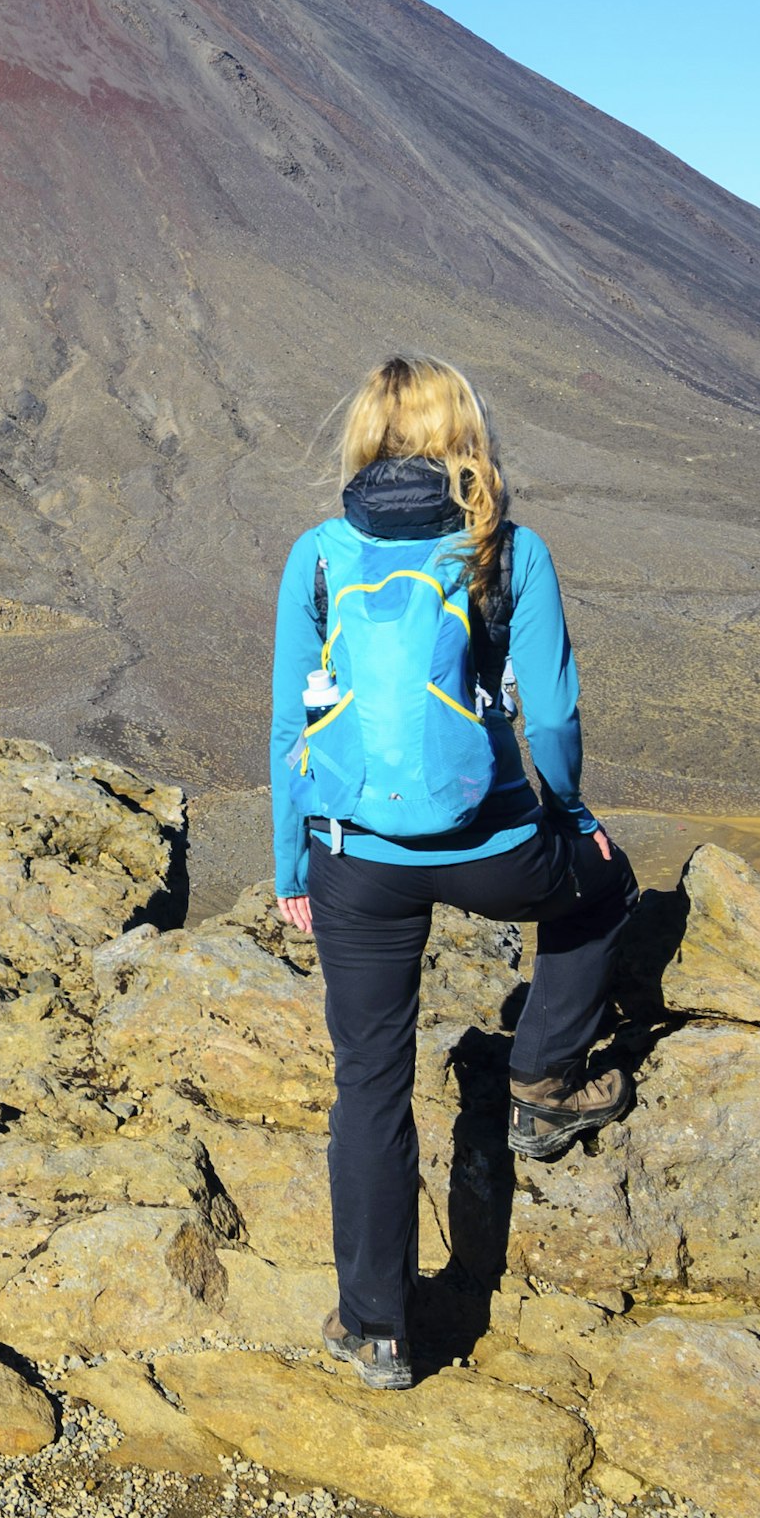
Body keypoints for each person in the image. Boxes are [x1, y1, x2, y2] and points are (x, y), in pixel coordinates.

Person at [270, 354, 631, 1391]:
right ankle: (541, 1077)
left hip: (354, 863)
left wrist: (295, 858)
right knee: (604, 888)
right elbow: (551, 718)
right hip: (495, 846)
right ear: (464, 434)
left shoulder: (320, 556)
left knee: (369, 1083)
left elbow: (291, 719)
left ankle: (377, 1330)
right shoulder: (507, 549)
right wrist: (570, 817)